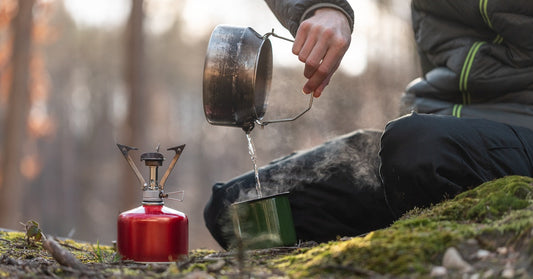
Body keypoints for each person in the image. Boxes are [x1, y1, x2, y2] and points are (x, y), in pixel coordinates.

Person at [204, 0, 533, 249]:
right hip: (429, 138)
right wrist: (321, 7)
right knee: (234, 214)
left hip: (502, 137)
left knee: (417, 150)